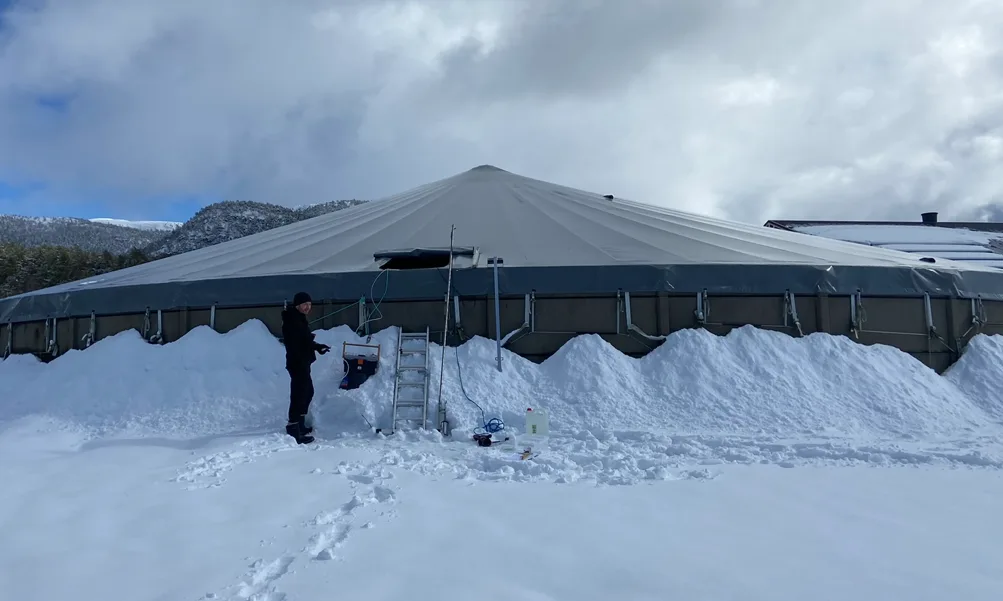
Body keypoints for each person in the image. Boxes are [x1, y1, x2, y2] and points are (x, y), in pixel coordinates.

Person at [281, 291, 330, 443]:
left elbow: (303, 339)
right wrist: (311, 344)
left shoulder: (299, 319)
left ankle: (300, 424)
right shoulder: (292, 320)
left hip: (302, 361)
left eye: (309, 304)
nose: (308, 307)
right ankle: (294, 427)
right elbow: (297, 341)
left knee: (307, 392)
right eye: (304, 304)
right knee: (299, 394)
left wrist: (316, 346)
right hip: (297, 362)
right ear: (297, 305)